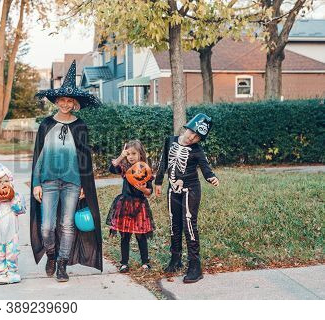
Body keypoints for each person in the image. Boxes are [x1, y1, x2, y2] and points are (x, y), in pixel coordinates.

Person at [31, 60, 103, 282]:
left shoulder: (79, 125)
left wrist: (84, 184)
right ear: (56, 101)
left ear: (74, 103)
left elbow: (84, 158)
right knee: (47, 226)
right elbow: (38, 156)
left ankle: (62, 264)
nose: (65, 103)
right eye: (62, 99)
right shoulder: (46, 124)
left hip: (72, 182)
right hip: (49, 181)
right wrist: (36, 183)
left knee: (67, 224)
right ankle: (51, 255)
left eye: (69, 100)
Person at [155, 113, 219, 283]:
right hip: (172, 189)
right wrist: (159, 181)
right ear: (187, 128)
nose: (193, 138)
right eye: (192, 132)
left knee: (189, 224)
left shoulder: (197, 150)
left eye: (198, 137)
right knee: (173, 224)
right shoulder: (170, 141)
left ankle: (195, 265)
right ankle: (175, 259)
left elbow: (205, 167)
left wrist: (211, 177)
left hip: (190, 189)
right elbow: (163, 162)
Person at [106, 140, 155, 273]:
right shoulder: (125, 168)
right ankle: (124, 263)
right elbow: (112, 167)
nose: (131, 156)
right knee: (125, 236)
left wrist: (144, 190)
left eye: (134, 153)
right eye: (128, 154)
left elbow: (150, 191)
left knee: (141, 236)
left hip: (140, 206)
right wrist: (121, 156)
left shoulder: (145, 170)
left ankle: (145, 262)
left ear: (140, 154)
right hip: (125, 206)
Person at [0, 163, 26, 285]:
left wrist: (12, 200)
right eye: (0, 182)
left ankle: (12, 272)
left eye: (6, 181)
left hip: (12, 230)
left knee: (12, 251)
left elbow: (20, 210)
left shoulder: (16, 196)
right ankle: (0, 273)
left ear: (11, 181)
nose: (3, 184)